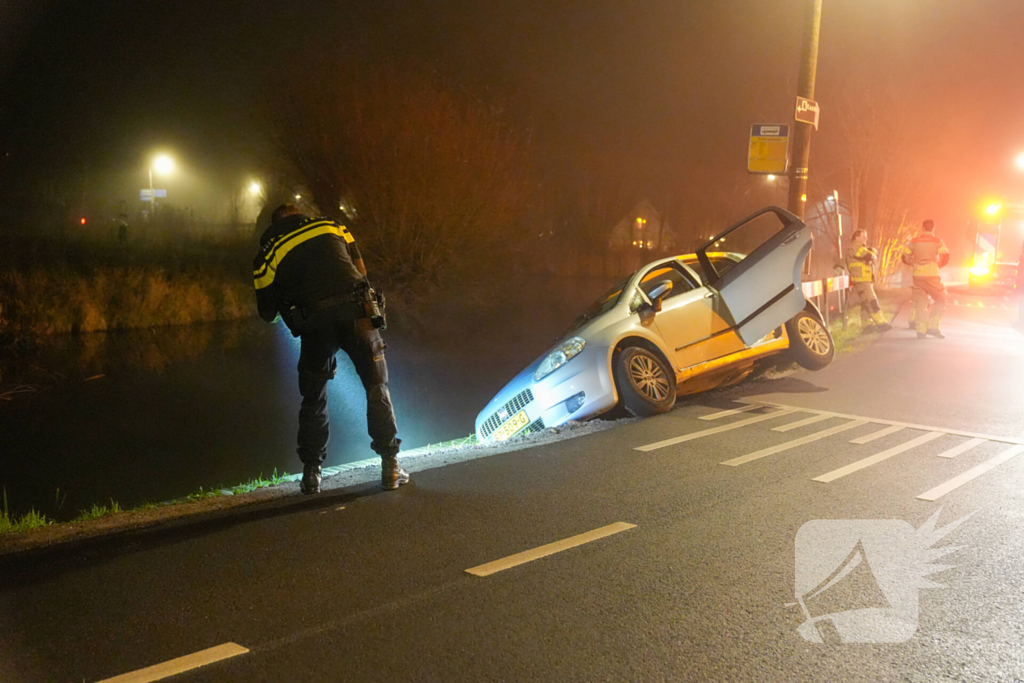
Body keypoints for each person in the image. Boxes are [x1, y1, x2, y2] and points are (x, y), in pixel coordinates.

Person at [253, 204, 409, 494]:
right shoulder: (332, 225)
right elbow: (360, 271)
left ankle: (311, 475)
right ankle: (390, 466)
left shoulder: (267, 253)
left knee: (314, 399)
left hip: (315, 323)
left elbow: (268, 314)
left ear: (273, 226)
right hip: (357, 312)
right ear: (302, 215)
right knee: (376, 387)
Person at [901, 219, 950, 339]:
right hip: (932, 276)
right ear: (933, 229)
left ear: (922, 228)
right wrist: (938, 265)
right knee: (942, 298)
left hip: (917, 276)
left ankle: (921, 331)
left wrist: (913, 263)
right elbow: (946, 256)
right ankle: (933, 327)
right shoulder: (937, 241)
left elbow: (904, 256)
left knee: (921, 303)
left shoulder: (913, 241)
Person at [846, 229, 892, 332]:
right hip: (861, 280)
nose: (866, 238)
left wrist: (870, 252)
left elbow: (869, 255)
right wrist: (872, 252)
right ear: (856, 237)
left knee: (866, 302)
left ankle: (867, 326)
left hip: (864, 279)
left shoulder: (860, 247)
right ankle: (881, 323)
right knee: (872, 301)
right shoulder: (855, 246)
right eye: (863, 236)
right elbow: (869, 256)